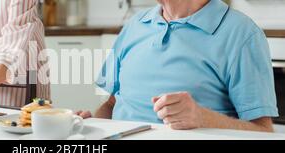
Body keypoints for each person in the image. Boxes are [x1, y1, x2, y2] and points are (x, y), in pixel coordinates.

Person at [77, 0, 278, 132]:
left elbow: (264, 130)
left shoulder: (242, 34)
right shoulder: (135, 24)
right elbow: (112, 104)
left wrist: (203, 118)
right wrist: (92, 126)